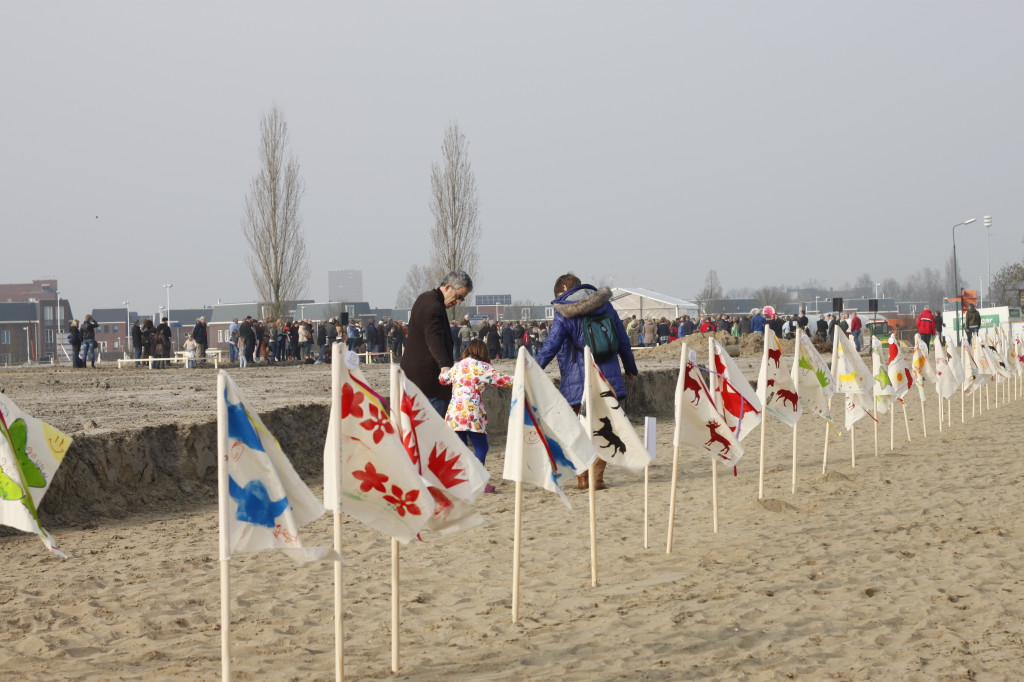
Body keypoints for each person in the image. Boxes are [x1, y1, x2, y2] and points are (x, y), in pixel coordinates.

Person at [535, 273, 638, 491]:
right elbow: (622, 340)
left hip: (575, 381)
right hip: (607, 380)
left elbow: (551, 346)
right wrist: (630, 368)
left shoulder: (564, 312)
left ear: (563, 288)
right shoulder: (606, 306)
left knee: (577, 431)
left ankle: (582, 478)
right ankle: (597, 479)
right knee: (605, 429)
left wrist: (532, 369)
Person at [439, 339, 513, 493]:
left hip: (454, 413)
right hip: (472, 413)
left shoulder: (457, 365)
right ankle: (479, 482)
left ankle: (463, 482)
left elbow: (442, 379)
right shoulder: (482, 367)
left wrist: (443, 370)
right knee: (481, 447)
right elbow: (503, 380)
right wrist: (521, 377)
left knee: (462, 449)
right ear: (483, 352)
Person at [400, 270, 473, 417]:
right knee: (435, 432)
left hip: (413, 377)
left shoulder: (425, 298)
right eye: (458, 296)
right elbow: (434, 337)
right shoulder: (434, 307)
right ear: (447, 287)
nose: (458, 302)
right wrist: (444, 365)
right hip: (430, 382)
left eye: (462, 299)